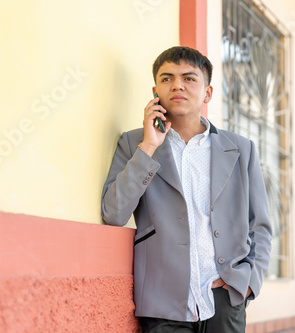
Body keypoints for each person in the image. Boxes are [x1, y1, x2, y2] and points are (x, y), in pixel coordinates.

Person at [101, 46, 272, 333]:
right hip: (162, 299)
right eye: (167, 79)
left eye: (189, 78)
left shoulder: (241, 149)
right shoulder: (134, 144)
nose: (177, 85)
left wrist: (248, 281)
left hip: (225, 298)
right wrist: (149, 146)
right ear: (155, 91)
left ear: (208, 93)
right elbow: (113, 214)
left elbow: (261, 226)